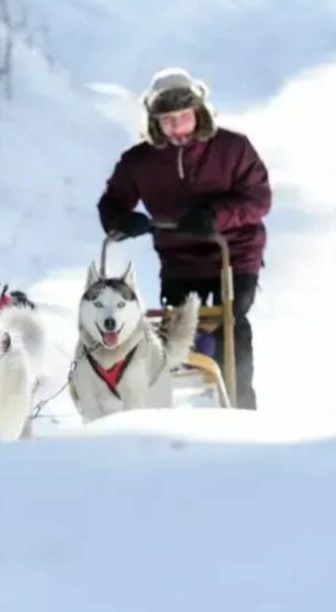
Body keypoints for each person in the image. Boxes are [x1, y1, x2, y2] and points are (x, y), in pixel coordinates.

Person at [96, 67, 271, 409]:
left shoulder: (232, 148)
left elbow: (258, 198)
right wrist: (123, 220)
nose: (176, 127)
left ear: (199, 114)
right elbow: (112, 202)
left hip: (233, 253)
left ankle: (240, 402)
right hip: (179, 259)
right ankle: (171, 397)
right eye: (167, 120)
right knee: (179, 328)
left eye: (184, 117)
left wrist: (215, 217)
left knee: (230, 321)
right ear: (154, 122)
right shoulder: (139, 162)